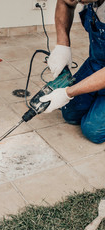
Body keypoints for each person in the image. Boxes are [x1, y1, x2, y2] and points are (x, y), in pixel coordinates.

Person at [40, 0, 105, 144]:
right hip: (97, 63)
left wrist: (67, 92)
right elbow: (65, 2)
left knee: (93, 131)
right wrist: (62, 45)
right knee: (70, 114)